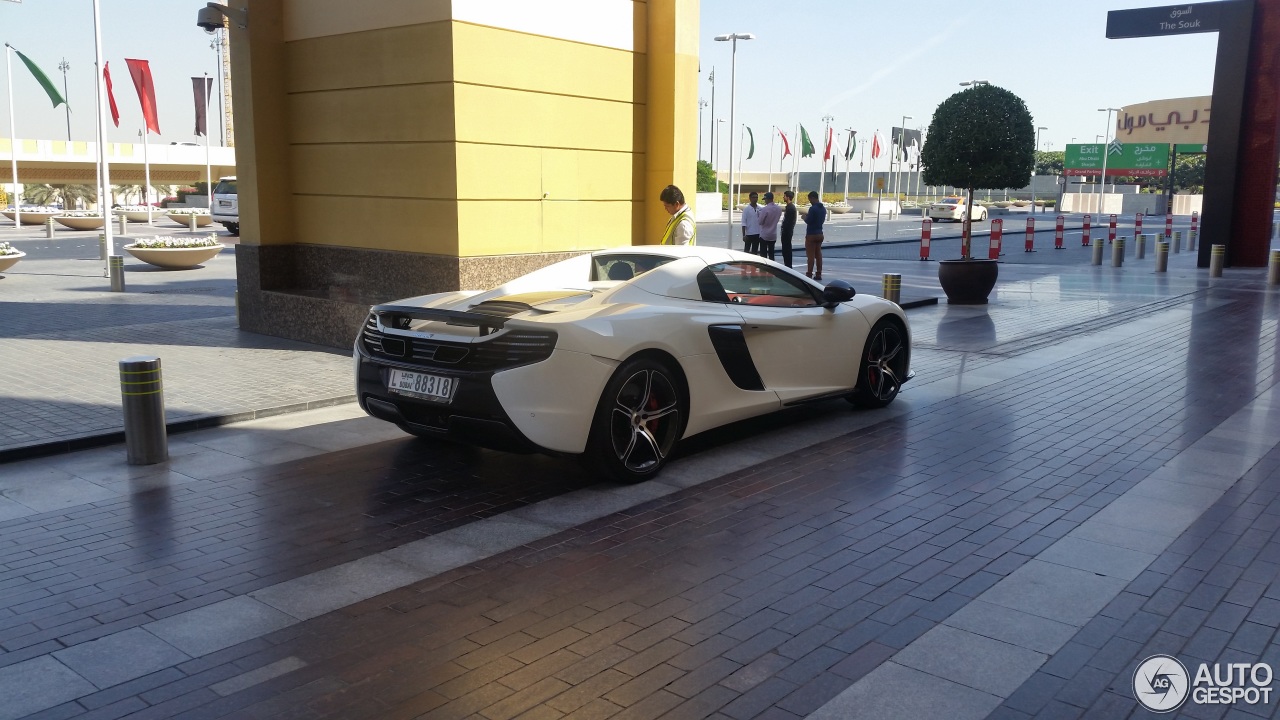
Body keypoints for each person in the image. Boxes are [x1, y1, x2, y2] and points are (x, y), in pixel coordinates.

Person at [804, 190, 826, 281]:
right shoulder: (823, 208)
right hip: (820, 233)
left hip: (811, 234)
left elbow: (809, 221)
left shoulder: (813, 209)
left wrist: (804, 217)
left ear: (813, 198)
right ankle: (819, 273)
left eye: (810, 199)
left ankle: (809, 273)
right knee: (819, 254)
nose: (810, 201)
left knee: (811, 256)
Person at [757, 192, 782, 261]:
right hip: (773, 234)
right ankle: (772, 269)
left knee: (763, 255)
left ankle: (763, 270)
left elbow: (760, 222)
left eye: (765, 199)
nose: (765, 201)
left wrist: (758, 215)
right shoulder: (779, 209)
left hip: (764, 234)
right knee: (771, 254)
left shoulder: (765, 209)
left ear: (767, 199)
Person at [780, 190, 798, 268]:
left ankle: (788, 265)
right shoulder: (790, 207)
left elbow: (788, 222)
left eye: (784, 196)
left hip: (787, 232)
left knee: (786, 249)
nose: (783, 197)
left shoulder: (790, 208)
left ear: (788, 197)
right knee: (786, 249)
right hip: (787, 231)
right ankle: (787, 265)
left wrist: (784, 230)